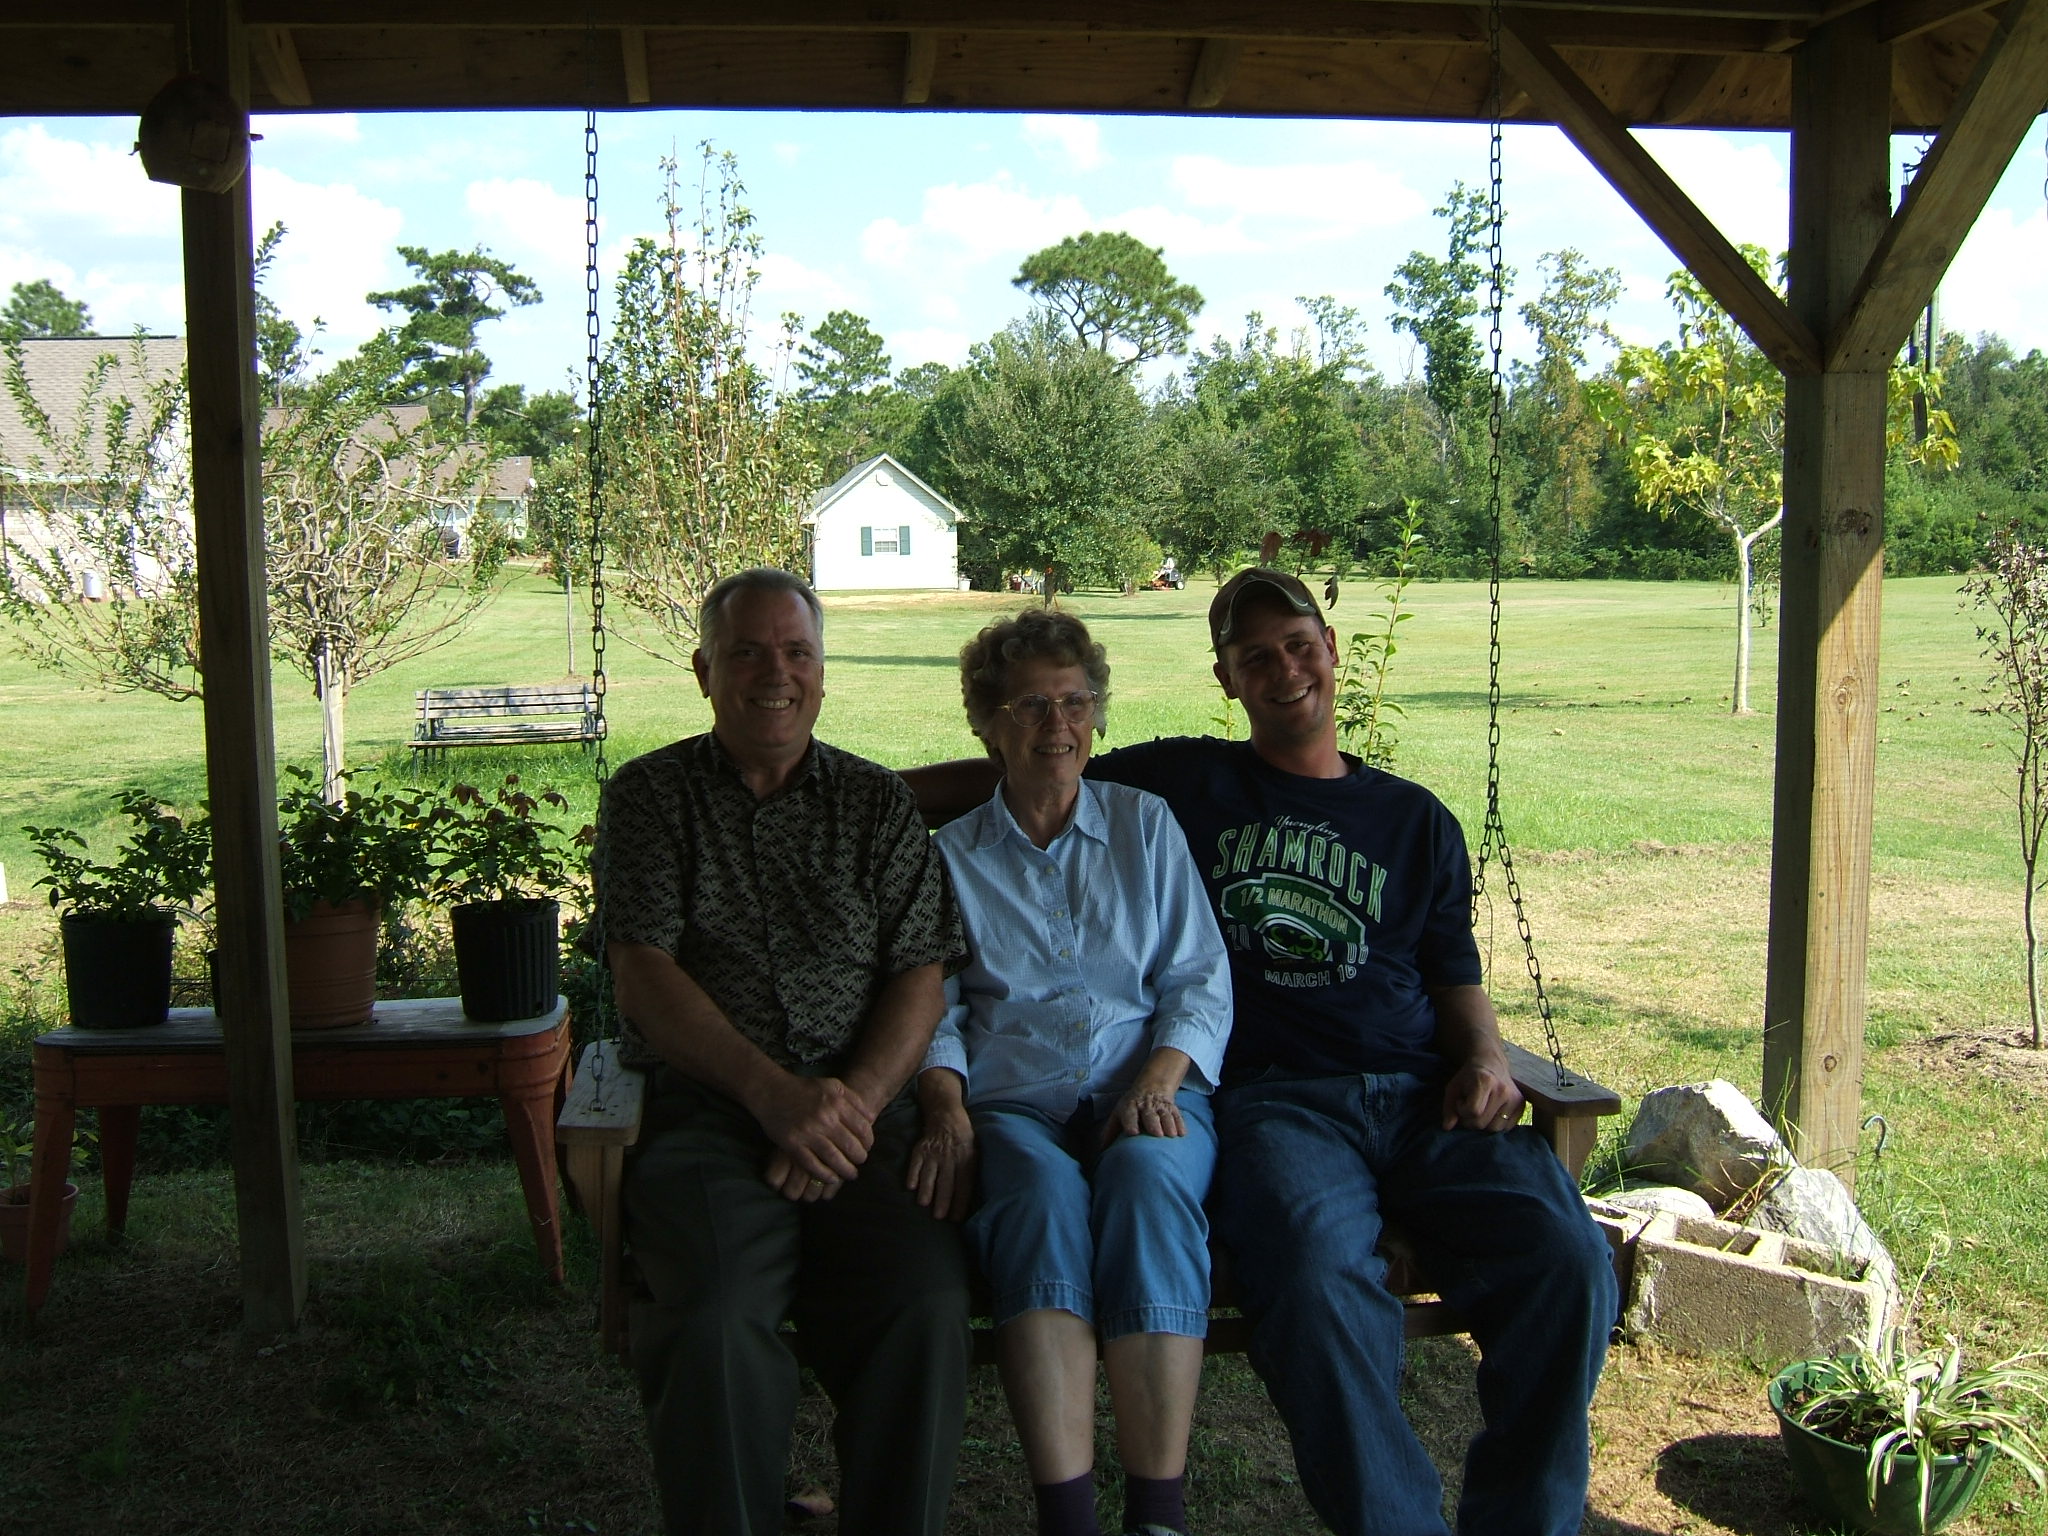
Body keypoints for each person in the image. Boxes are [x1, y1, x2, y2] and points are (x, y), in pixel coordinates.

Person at [905, 568, 1617, 1536]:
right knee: (1315, 1281)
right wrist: (855, 798)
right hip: (1282, 1104)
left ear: (1331, 650)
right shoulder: (1188, 782)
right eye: (1255, 657)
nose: (1284, 670)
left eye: (1298, 645)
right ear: (1226, 679)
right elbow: (1034, 769)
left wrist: (1488, 1059)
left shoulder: (1414, 820)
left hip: (1422, 1098)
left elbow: (1453, 974)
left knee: (1569, 1260)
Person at [591, 567, 971, 1536]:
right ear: (703, 670)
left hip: (862, 1115)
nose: (776, 673)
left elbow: (921, 973)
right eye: (748, 652)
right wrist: (773, 1097)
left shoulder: (875, 803)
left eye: (797, 652)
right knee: (715, 1318)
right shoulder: (650, 797)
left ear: (822, 673)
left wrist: (846, 1107)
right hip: (708, 1110)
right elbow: (643, 973)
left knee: (924, 1305)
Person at [908, 609, 1232, 1536]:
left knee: (1149, 1184)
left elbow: (1199, 978)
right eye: (1032, 706)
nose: (1059, 724)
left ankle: (1157, 1514)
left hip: (1151, 1088)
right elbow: (935, 1008)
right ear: (987, 722)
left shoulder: (1145, 827)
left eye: (1076, 702)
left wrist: (1160, 1078)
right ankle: (1069, 1518)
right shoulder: (952, 858)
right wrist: (946, 1107)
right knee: (1037, 1200)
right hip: (1016, 1104)